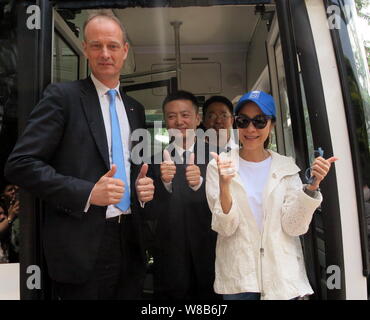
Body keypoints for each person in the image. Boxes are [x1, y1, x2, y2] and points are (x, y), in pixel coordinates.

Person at [5, 11, 154, 299]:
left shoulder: (135, 109)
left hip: (130, 242)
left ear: (125, 51)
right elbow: (20, 164)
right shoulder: (62, 97)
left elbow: (131, 170)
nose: (105, 53)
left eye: (112, 45)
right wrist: (88, 193)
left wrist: (139, 188)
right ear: (85, 49)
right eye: (96, 45)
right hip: (81, 249)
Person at [206, 90, 337, 300]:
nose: (250, 129)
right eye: (243, 121)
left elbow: (294, 226)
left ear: (272, 125)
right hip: (240, 279)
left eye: (259, 121)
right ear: (236, 124)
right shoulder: (219, 166)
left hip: (281, 277)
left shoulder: (286, 167)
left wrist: (313, 186)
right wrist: (224, 186)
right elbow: (226, 227)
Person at [146, 90, 218, 300]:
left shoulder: (220, 158)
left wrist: (201, 185)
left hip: (212, 257)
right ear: (165, 122)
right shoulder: (152, 162)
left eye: (185, 115)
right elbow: (147, 213)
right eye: (171, 116)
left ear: (197, 119)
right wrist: (165, 184)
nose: (179, 121)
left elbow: (231, 208)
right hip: (170, 261)